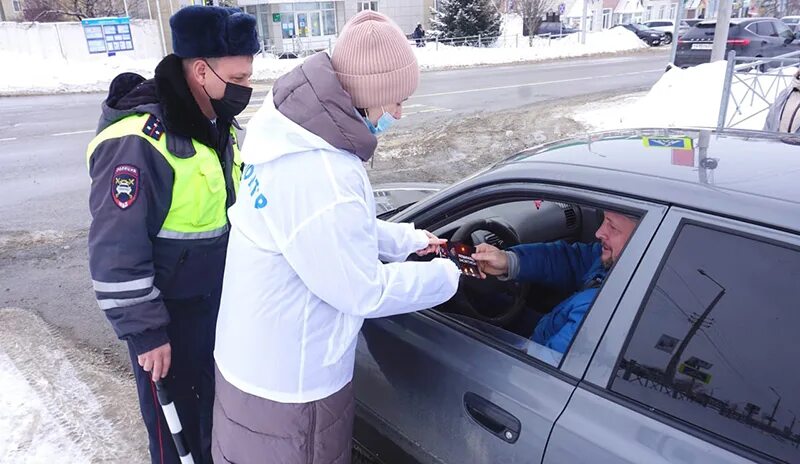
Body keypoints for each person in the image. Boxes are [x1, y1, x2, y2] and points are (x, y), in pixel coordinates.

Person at [211, 11, 460, 463]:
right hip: (292, 391)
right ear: (368, 96)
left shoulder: (293, 138)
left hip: (247, 360)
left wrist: (404, 240)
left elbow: (320, 229)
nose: (400, 113)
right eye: (397, 101)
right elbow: (362, 290)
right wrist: (449, 276)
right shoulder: (324, 173)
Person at [85, 6, 258, 463]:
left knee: (215, 423)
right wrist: (146, 333)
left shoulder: (217, 127)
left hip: (216, 308)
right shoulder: (138, 141)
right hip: (168, 322)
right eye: (239, 77)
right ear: (201, 71)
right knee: (174, 438)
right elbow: (115, 253)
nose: (247, 87)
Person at [472, 210, 638, 353]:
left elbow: (539, 370)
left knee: (463, 328)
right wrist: (509, 261)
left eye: (613, 227)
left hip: (538, 350)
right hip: (547, 330)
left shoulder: (597, 314)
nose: (599, 233)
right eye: (604, 220)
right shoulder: (619, 263)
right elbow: (572, 260)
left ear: (642, 238)